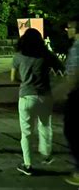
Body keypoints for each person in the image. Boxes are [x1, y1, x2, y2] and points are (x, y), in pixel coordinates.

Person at [11, 28, 63, 176]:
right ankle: (46, 154)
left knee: (26, 132)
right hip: (45, 96)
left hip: (26, 97)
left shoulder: (18, 56)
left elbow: (13, 78)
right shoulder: (46, 54)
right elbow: (61, 67)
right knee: (45, 125)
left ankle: (28, 164)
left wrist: (24, 82)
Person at [63, 20, 79, 186]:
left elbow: (75, 72)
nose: (67, 30)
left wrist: (63, 90)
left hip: (76, 94)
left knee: (72, 130)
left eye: (69, 28)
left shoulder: (77, 47)